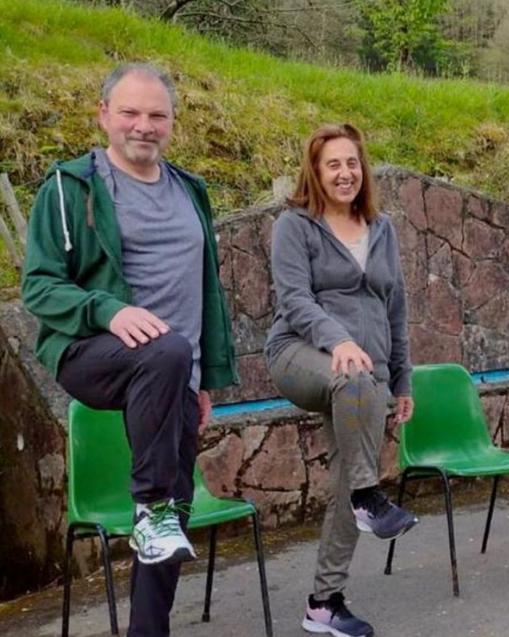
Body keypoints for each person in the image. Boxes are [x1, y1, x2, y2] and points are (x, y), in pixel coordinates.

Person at [21, 63, 237, 637]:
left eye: (157, 115)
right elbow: (39, 286)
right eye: (130, 113)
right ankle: (149, 505)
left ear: (172, 123)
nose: (144, 126)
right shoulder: (70, 188)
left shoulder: (191, 190)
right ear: (104, 115)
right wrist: (108, 310)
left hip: (173, 373)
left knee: (175, 517)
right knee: (163, 349)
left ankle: (149, 625)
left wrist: (204, 379)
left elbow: (205, 289)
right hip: (93, 354)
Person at [265, 123, 417, 637]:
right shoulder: (295, 225)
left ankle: (323, 604)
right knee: (361, 468)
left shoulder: (383, 228)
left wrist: (403, 382)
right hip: (299, 354)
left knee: (346, 481)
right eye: (333, 164)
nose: (345, 172)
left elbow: (395, 308)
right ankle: (370, 497)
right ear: (316, 170)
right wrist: (339, 340)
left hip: (366, 375)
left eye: (352, 163)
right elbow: (294, 300)